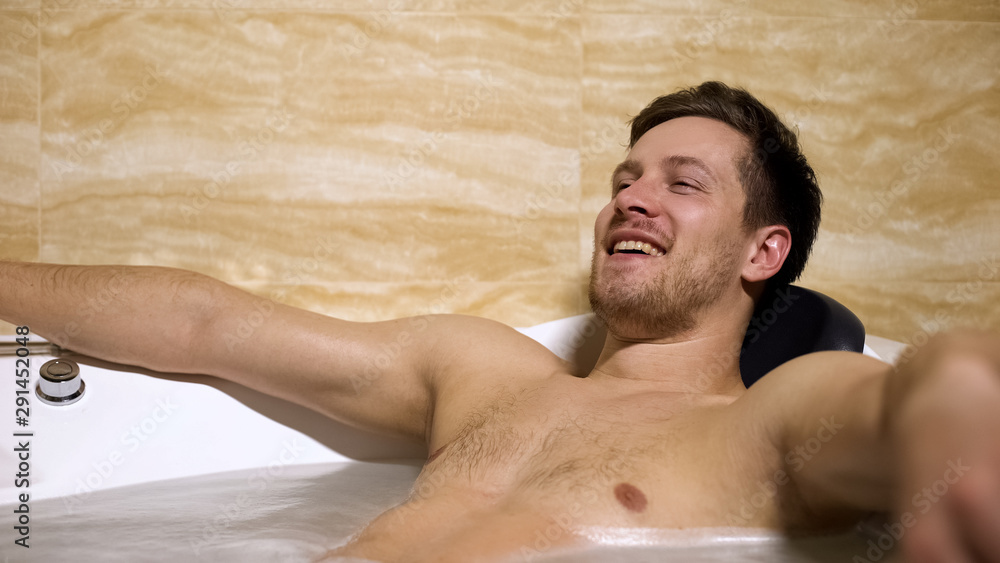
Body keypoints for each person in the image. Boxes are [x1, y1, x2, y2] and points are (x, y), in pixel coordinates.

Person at [2, 82, 998, 563]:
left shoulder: (768, 418)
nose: (632, 199)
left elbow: (925, 393)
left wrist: (961, 407)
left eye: (680, 183)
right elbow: (206, 323)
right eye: (624, 179)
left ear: (761, 252)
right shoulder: (481, 370)